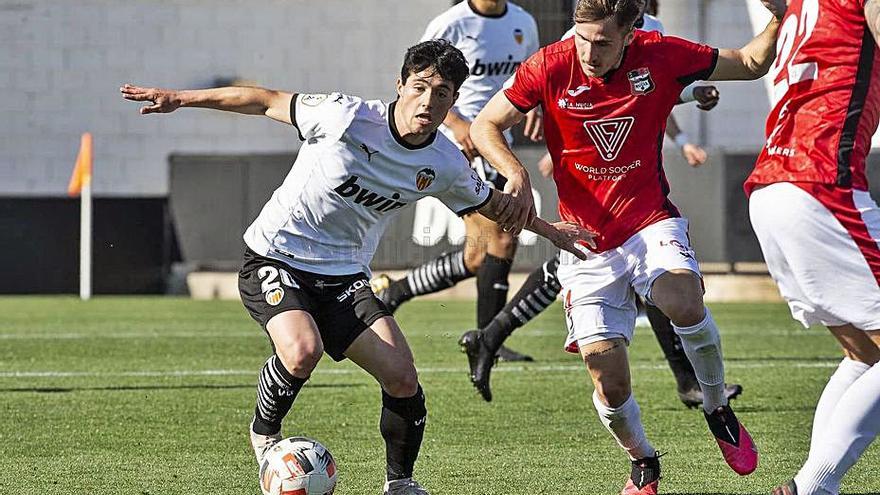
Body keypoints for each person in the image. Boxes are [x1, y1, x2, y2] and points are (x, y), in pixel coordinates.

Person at [120, 39, 593, 495]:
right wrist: (180, 98)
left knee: (403, 376)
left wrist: (552, 232)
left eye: (442, 93)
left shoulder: (444, 161)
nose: (428, 100)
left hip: (344, 278)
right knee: (302, 351)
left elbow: (494, 206)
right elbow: (262, 100)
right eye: (420, 87)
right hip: (276, 256)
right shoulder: (344, 115)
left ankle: (400, 483)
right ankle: (264, 434)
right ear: (400, 85)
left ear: (452, 101)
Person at [469, 0, 786, 492]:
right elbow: (484, 125)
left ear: (630, 33)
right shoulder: (550, 64)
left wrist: (781, 16)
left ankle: (715, 403)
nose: (589, 53)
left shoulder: (661, 53)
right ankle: (643, 461)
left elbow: (749, 63)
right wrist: (515, 171)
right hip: (585, 244)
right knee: (609, 384)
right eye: (582, 39)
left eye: (603, 42)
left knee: (681, 300)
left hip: (649, 223)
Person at [745, 1, 880, 494]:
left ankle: (815, 486)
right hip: (820, 183)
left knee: (865, 353)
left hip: (773, 188)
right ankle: (812, 487)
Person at [371, 0, 543, 363]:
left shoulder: (523, 22)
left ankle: (397, 292)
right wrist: (457, 123)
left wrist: (537, 105)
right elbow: (420, 83)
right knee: (500, 237)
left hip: (498, 141)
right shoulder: (450, 23)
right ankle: (488, 341)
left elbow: (530, 76)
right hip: (461, 146)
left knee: (479, 254)